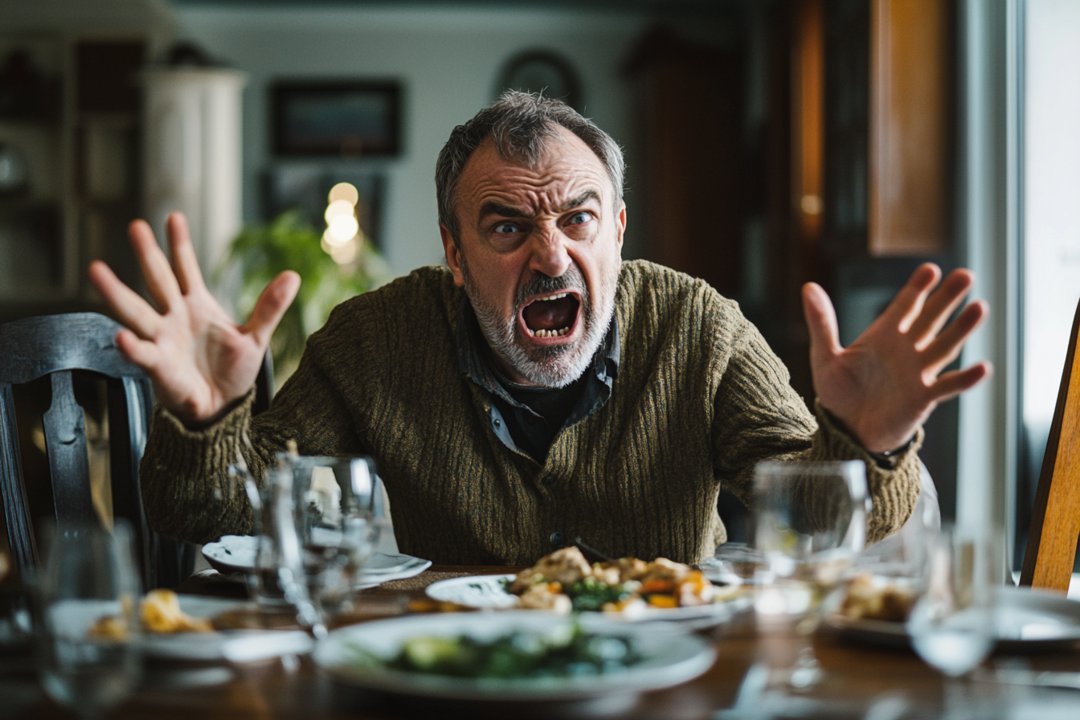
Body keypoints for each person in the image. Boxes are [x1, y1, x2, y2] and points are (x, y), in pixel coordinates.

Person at [88, 91, 990, 565]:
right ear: (453, 249)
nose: (552, 257)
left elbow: (818, 525)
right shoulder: (372, 339)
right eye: (508, 227)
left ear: (620, 231)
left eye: (579, 219)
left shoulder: (700, 327)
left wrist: (866, 445)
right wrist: (209, 427)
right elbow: (217, 516)